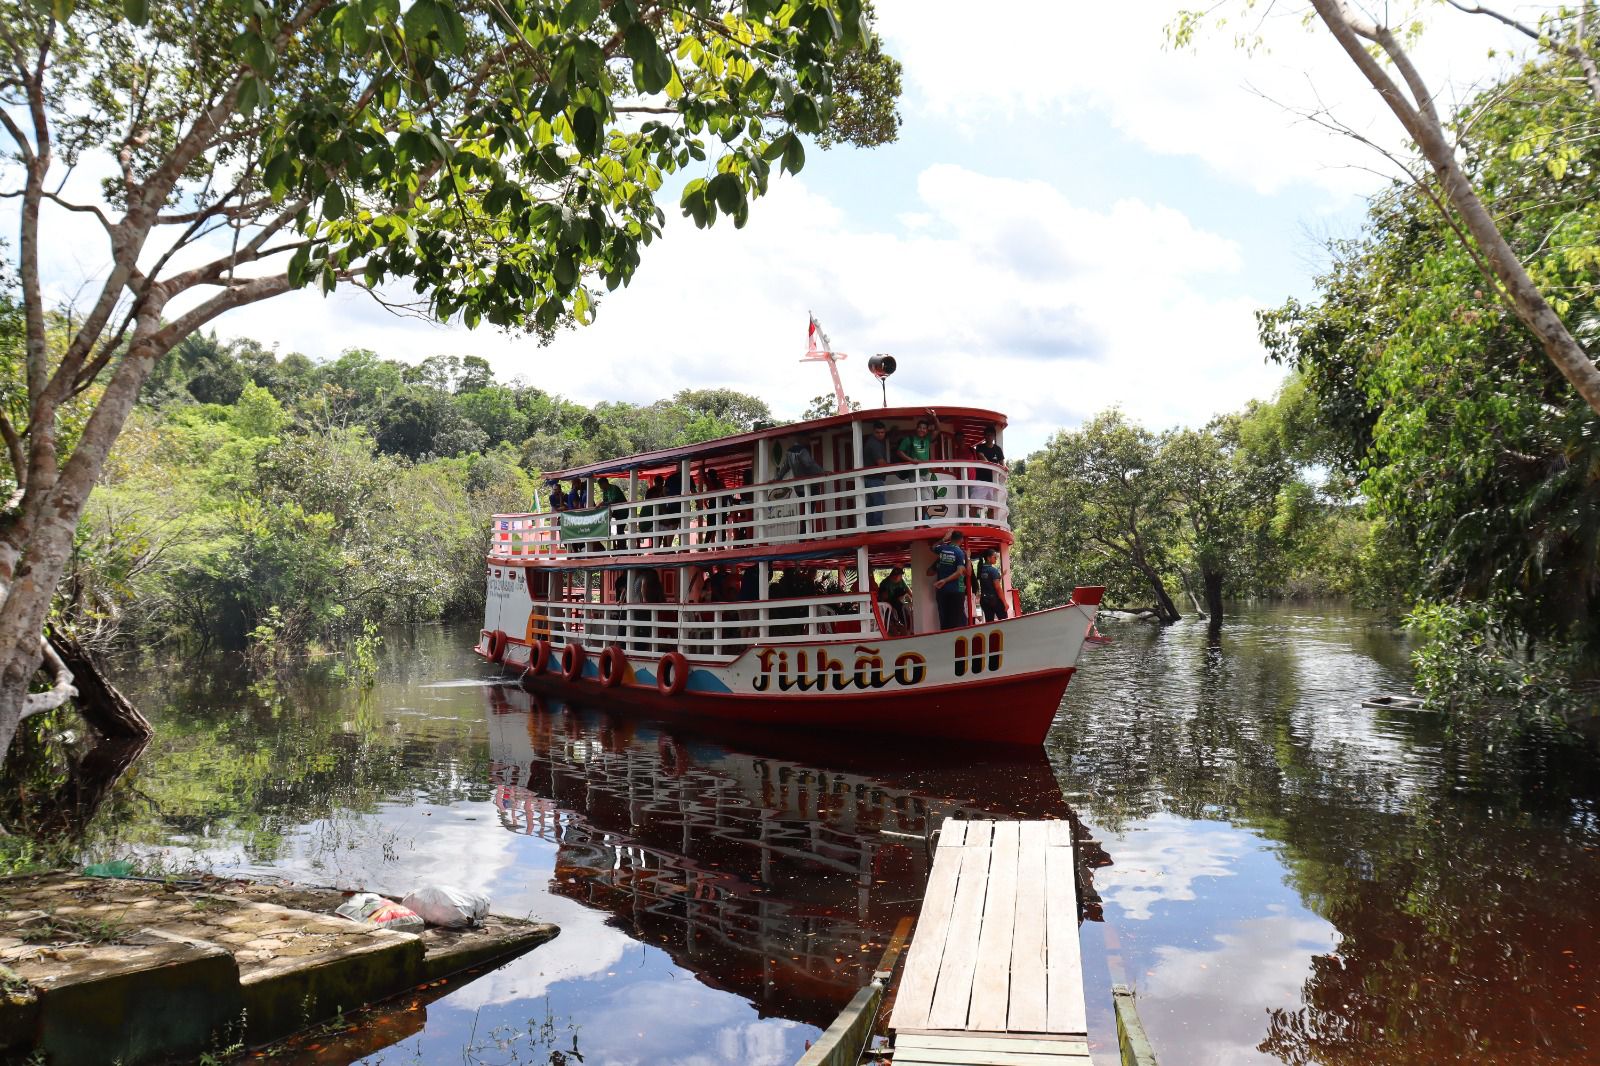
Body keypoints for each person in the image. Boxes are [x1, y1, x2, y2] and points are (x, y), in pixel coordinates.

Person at [926, 530, 969, 630]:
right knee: (957, 621)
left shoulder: (942, 549)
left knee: (944, 619)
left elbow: (932, 547)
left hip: (942, 591)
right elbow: (959, 572)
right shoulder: (959, 552)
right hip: (956, 590)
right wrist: (945, 580)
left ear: (951, 538)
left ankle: (944, 641)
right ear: (961, 540)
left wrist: (944, 539)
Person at [973, 424, 1005, 520]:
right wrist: (992, 466)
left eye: (991, 435)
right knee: (975, 505)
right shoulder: (980, 447)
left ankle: (992, 525)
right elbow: (981, 457)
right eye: (987, 435)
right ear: (984, 436)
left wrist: (1002, 471)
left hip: (993, 482)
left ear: (994, 436)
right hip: (981, 481)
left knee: (992, 507)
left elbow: (1002, 464)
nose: (989, 437)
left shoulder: (998, 449)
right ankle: (970, 524)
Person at [862, 421, 891, 527]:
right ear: (873, 432)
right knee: (879, 503)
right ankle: (877, 527)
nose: (880, 434)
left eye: (882, 432)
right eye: (877, 432)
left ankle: (870, 527)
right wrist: (891, 467)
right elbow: (881, 463)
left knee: (871, 504)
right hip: (874, 479)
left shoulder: (874, 442)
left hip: (870, 479)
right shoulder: (874, 444)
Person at [977, 548, 1007, 622]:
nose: (996, 559)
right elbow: (997, 588)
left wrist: (1001, 576)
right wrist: (1005, 602)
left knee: (989, 622)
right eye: (994, 557)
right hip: (994, 599)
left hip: (984, 600)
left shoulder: (981, 570)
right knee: (1004, 620)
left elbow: (988, 583)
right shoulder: (993, 570)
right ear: (988, 558)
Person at [879, 566, 911, 634]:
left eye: (900, 575)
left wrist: (913, 599)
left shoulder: (901, 581)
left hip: (898, 602)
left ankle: (906, 628)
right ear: (892, 576)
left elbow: (908, 590)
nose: (898, 577)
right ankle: (898, 627)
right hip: (888, 603)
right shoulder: (885, 583)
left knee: (905, 611)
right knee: (896, 612)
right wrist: (890, 606)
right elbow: (883, 597)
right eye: (896, 575)